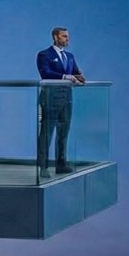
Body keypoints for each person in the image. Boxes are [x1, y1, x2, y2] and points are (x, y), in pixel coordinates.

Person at [36, 27, 85, 178]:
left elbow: (75, 71)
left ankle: (61, 164)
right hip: (50, 98)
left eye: (68, 36)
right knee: (46, 134)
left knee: (63, 133)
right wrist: (65, 77)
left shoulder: (69, 56)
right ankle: (43, 167)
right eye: (64, 36)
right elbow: (45, 73)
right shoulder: (45, 55)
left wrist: (80, 77)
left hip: (67, 98)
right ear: (55, 37)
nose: (67, 39)